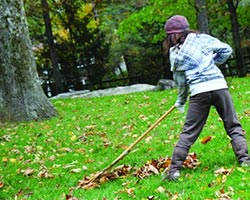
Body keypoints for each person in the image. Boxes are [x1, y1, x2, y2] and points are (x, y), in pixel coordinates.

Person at [162, 15, 250, 181]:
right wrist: (212, 63)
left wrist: (180, 101)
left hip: (199, 92)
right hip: (219, 87)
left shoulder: (175, 54)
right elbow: (227, 50)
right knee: (233, 125)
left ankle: (174, 171)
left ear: (172, 36)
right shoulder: (202, 39)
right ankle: (245, 161)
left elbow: (181, 82)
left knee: (189, 132)